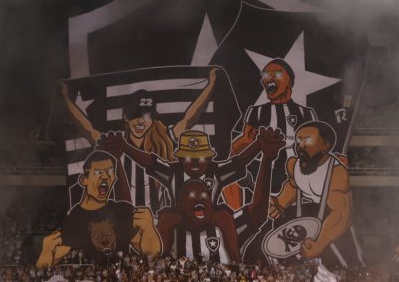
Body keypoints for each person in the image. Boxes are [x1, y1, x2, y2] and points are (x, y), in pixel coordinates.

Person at [99, 128, 282, 262]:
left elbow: (238, 163)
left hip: (210, 219)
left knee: (223, 218)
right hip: (176, 220)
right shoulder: (171, 188)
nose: (194, 163)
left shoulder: (223, 217)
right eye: (189, 157)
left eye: (200, 158)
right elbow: (151, 163)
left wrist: (261, 149)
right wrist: (122, 151)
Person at [61, 68, 220, 211]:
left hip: (156, 225)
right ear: (125, 117)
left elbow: (188, 119)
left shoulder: (162, 139)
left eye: (146, 116)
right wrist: (65, 98)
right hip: (122, 221)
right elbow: (88, 129)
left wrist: (211, 85)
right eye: (134, 116)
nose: (140, 122)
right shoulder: (114, 142)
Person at [35, 150, 161, 268]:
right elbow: (46, 266)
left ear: (113, 179)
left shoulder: (123, 210)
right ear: (84, 180)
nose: (105, 177)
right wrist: (46, 252)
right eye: (98, 173)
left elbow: (152, 255)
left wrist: (149, 229)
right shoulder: (75, 219)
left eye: (110, 172)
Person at [226, 59, 318, 206]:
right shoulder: (256, 112)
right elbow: (243, 142)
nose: (269, 77)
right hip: (262, 176)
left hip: (296, 178)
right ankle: (236, 212)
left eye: (276, 73)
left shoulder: (306, 114)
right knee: (227, 169)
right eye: (266, 75)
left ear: (290, 81)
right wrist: (228, 157)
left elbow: (316, 148)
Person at [267, 121, 358, 267]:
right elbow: (293, 185)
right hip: (310, 220)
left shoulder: (336, 172)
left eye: (307, 139)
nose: (300, 145)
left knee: (348, 265)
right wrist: (280, 203)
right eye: (299, 140)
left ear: (325, 145)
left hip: (334, 225)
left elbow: (341, 214)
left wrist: (321, 242)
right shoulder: (293, 164)